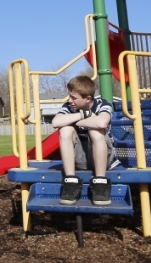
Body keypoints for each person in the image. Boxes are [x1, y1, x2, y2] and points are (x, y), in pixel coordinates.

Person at [52, 75, 121, 206]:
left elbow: (101, 122)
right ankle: (70, 181)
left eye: (74, 97)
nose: (69, 100)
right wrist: (83, 115)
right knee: (65, 130)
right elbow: (56, 122)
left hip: (103, 158)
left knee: (95, 130)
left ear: (88, 98)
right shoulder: (69, 107)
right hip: (80, 159)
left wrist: (75, 121)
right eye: (69, 96)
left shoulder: (102, 104)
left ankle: (100, 182)